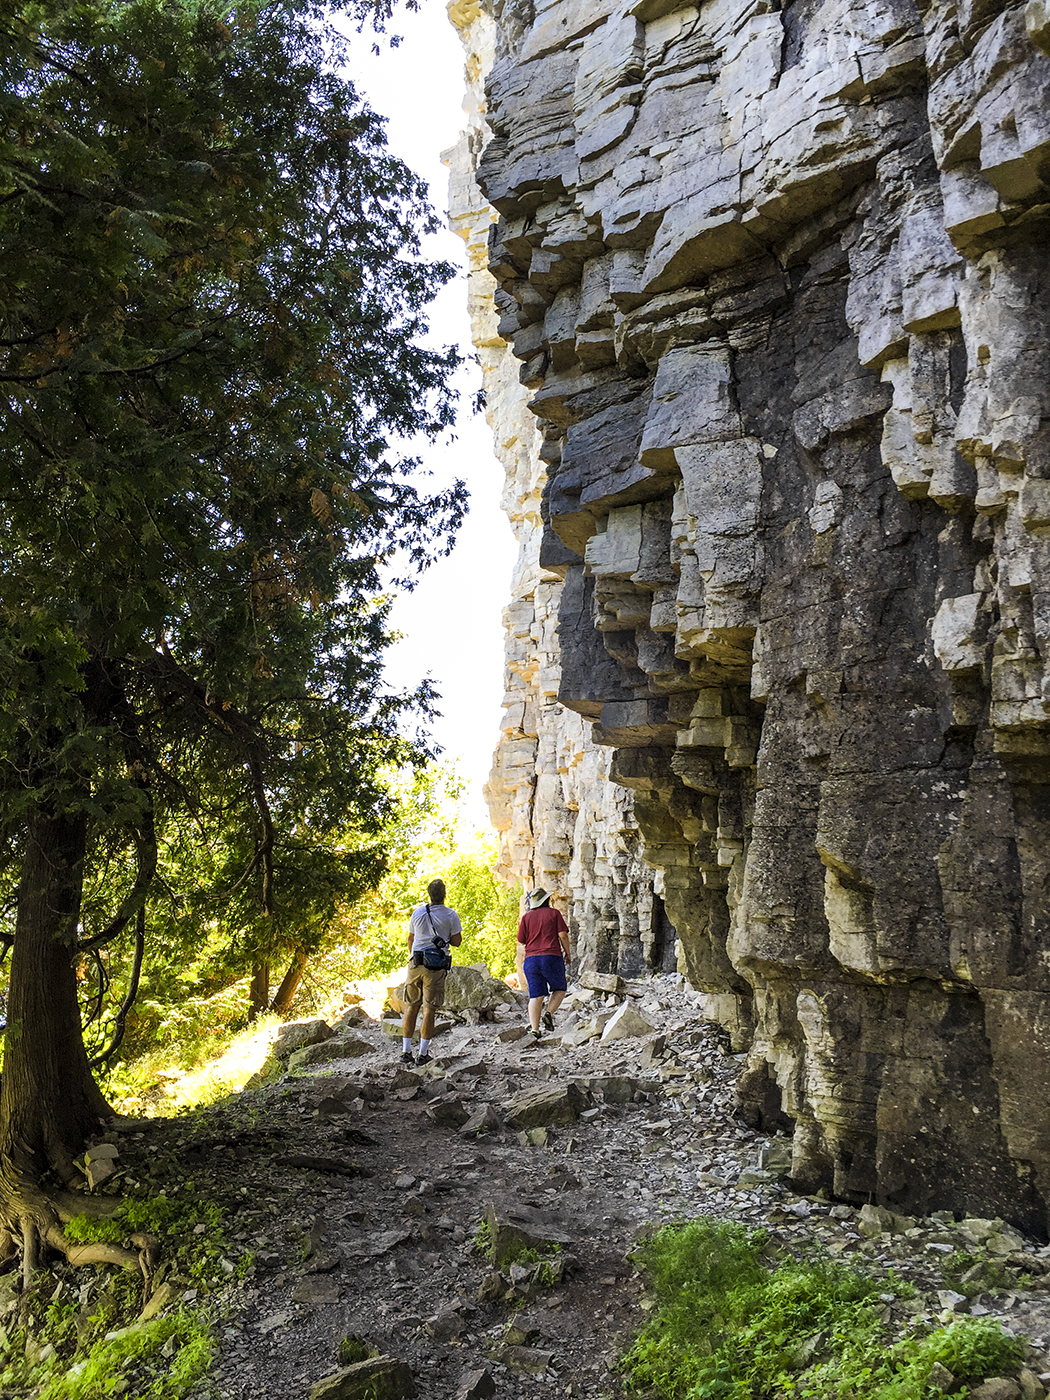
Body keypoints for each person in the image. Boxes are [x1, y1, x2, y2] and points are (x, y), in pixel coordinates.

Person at [400, 879, 462, 1066]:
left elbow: (411, 939)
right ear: (445, 894)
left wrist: (413, 956)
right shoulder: (450, 915)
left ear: (429, 894)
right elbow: (457, 941)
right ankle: (422, 1053)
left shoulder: (418, 912)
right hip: (435, 967)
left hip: (415, 962)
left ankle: (405, 1051)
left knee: (411, 1006)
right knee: (429, 1008)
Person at [516, 887, 571, 1039]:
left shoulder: (526, 917)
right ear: (547, 900)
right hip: (551, 957)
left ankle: (535, 1029)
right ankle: (548, 1013)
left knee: (536, 996)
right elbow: (563, 935)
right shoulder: (554, 914)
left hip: (531, 960)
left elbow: (521, 939)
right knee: (559, 989)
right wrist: (568, 953)